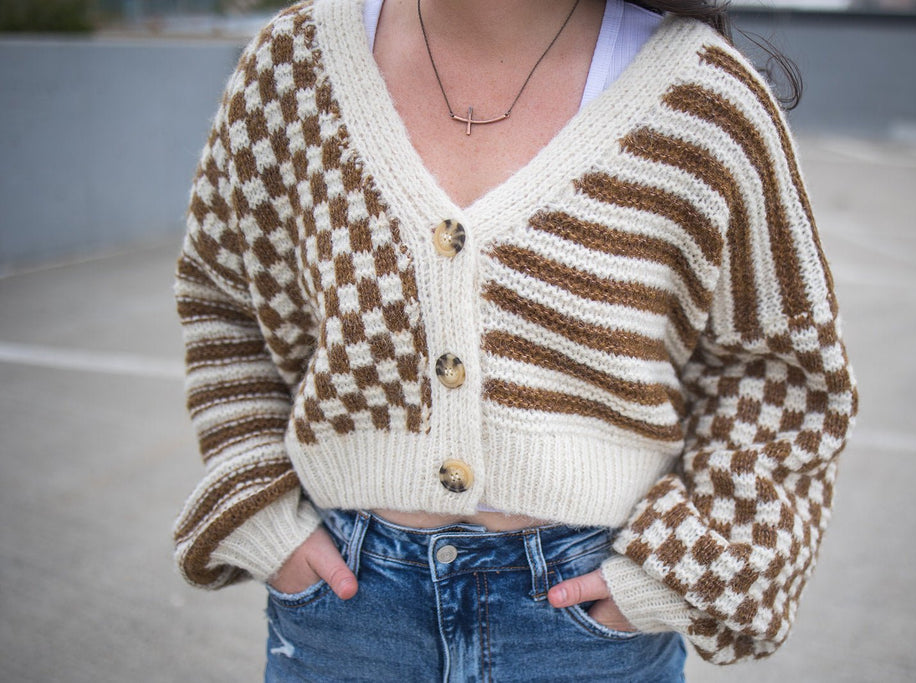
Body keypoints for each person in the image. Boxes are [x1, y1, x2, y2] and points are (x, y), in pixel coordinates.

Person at [172, 0, 857, 679]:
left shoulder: (704, 99)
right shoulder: (295, 66)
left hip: (585, 630)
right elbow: (225, 298)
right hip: (346, 619)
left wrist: (683, 568)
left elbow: (782, 371)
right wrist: (265, 518)